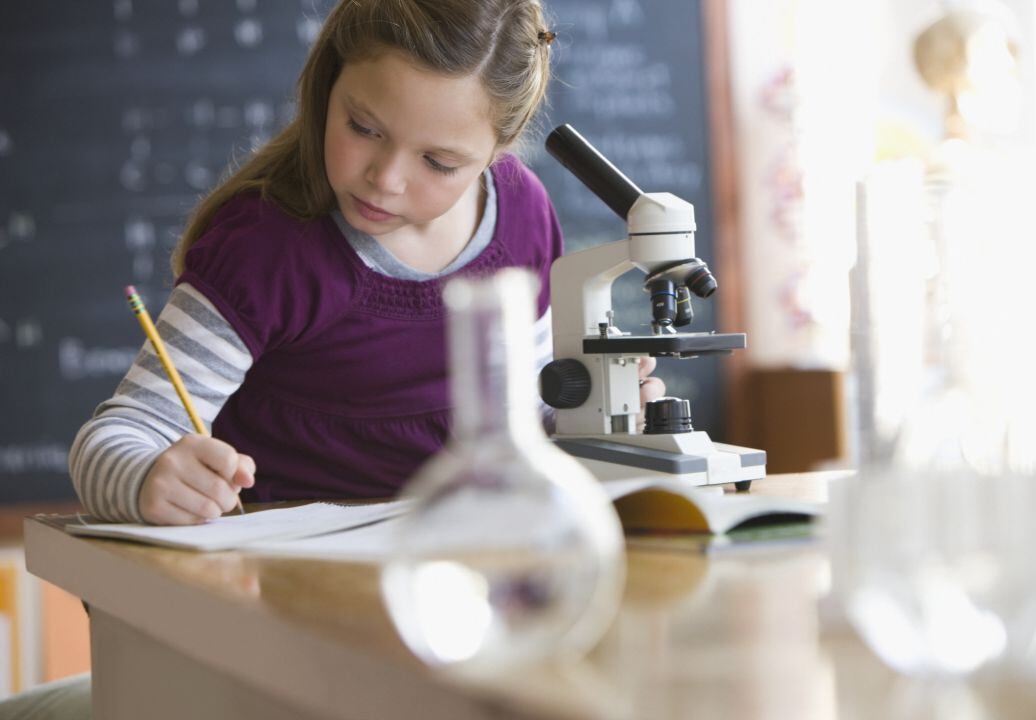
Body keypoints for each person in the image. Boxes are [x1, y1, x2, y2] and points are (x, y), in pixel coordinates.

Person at [68, 0, 666, 527]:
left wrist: (592, 420)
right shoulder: (265, 246)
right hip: (278, 591)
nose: (386, 179)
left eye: (438, 162)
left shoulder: (524, 215)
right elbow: (113, 438)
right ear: (328, 85)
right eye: (363, 127)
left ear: (497, 153)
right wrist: (147, 481)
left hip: (458, 567)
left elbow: (529, 416)